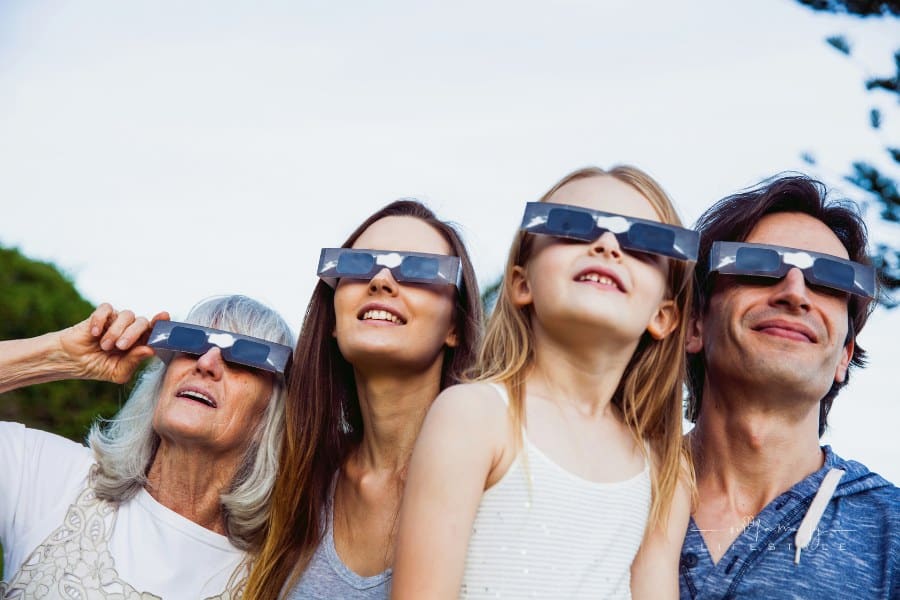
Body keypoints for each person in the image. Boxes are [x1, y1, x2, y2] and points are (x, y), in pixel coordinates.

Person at [392, 166, 697, 599]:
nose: (607, 245)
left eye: (643, 242)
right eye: (571, 226)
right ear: (521, 283)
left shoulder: (666, 473)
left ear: (663, 315)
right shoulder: (474, 415)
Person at [244, 200, 482, 599]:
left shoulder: (491, 483)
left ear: (454, 326)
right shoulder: (295, 480)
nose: (382, 280)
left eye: (419, 269)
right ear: (334, 319)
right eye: (358, 265)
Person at [680, 174, 900, 599]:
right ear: (695, 325)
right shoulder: (607, 494)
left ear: (844, 355)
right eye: (760, 265)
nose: (795, 292)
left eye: (829, 280)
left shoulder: (892, 533)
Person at [0, 294, 294, 598]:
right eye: (191, 345)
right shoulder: (50, 477)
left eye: (241, 357)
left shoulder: (282, 579)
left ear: (270, 417)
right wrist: (55, 356)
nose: (206, 363)